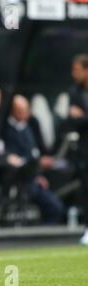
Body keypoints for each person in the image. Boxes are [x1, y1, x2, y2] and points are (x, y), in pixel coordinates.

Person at [3, 95, 65, 225]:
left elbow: (35, 152)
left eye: (26, 110)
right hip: (17, 182)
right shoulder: (5, 129)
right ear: (13, 111)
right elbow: (12, 158)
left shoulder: (29, 126)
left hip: (33, 179)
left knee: (56, 207)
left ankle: (45, 237)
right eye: (21, 110)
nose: (26, 114)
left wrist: (38, 174)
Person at [68, 54, 88, 244]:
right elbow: (72, 120)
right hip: (84, 149)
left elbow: (79, 117)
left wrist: (83, 116)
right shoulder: (75, 92)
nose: (73, 74)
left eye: (76, 70)